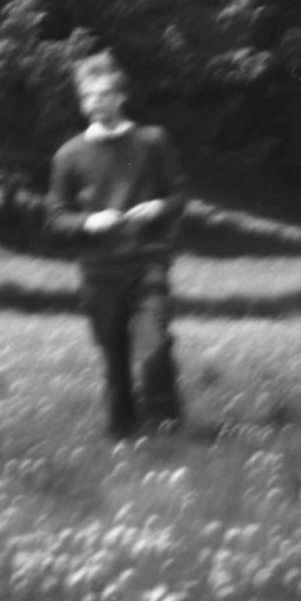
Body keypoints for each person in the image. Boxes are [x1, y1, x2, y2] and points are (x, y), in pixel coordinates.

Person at [46, 52, 190, 439]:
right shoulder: (69, 155)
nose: (97, 102)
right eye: (89, 96)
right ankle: (122, 434)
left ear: (120, 96)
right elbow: (55, 219)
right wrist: (88, 222)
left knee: (155, 349)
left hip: (147, 265)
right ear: (81, 101)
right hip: (99, 273)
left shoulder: (152, 142)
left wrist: (159, 207)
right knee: (115, 362)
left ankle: (166, 431)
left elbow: (179, 196)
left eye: (104, 94)